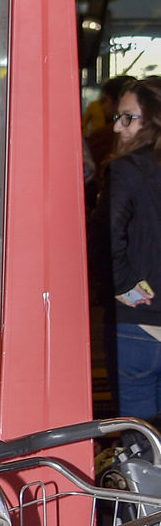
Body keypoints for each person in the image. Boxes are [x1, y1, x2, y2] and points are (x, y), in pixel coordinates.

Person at [90, 78, 161, 419]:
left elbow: (104, 237)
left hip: (138, 324)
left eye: (128, 118)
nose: (117, 127)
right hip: (143, 320)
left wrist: (124, 288)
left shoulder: (128, 168)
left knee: (140, 437)